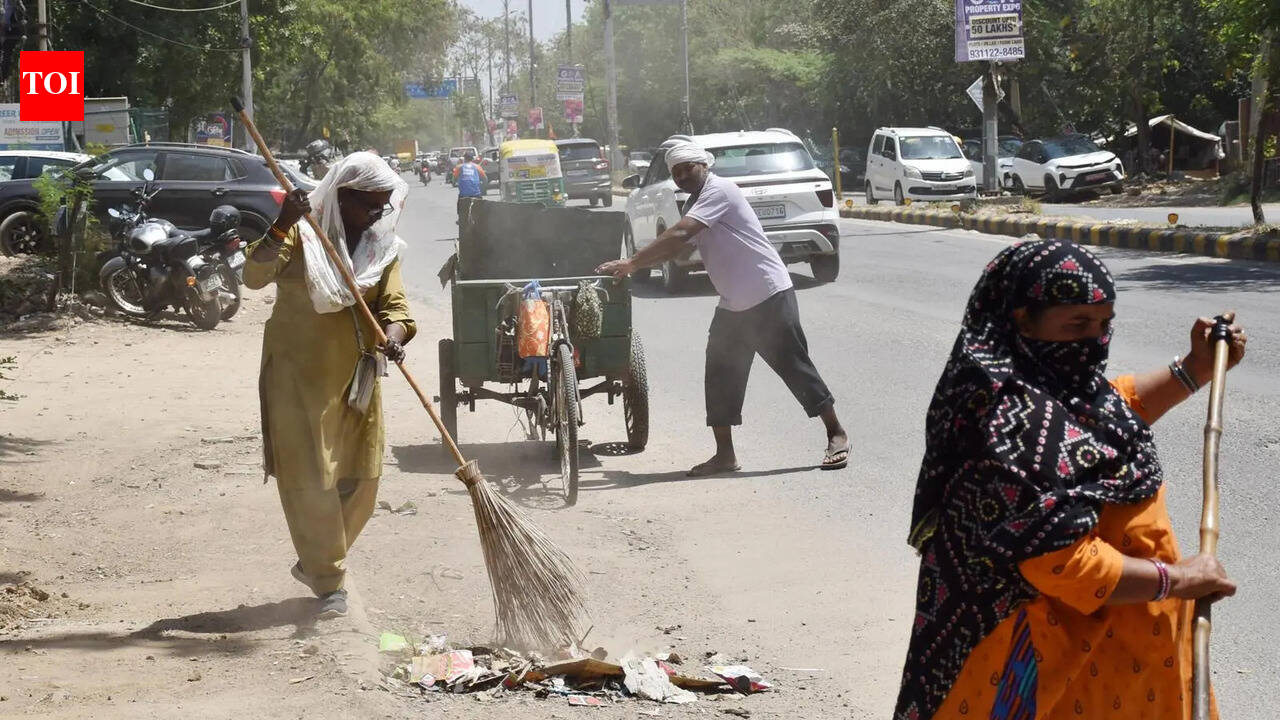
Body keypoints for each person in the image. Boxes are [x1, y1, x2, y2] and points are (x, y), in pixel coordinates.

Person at [894, 239, 1247, 720]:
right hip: (1044, 658)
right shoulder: (1007, 420)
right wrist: (1178, 578)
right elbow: (1060, 560)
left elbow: (1117, 404)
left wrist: (1194, 369)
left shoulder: (1055, 383)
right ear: (1022, 318)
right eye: (1076, 323)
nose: (1094, 339)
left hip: (1119, 651)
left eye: (1104, 323)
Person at [596, 141, 849, 475]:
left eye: (690, 167)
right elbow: (682, 245)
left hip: (767, 294)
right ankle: (725, 455)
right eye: (677, 171)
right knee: (719, 374)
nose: (684, 175)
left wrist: (631, 262)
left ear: (705, 165)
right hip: (733, 305)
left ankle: (837, 433)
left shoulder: (720, 190)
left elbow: (683, 232)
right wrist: (642, 266)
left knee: (794, 366)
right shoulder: (697, 201)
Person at [243, 152, 416, 620]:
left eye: (384, 206)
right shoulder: (301, 236)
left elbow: (396, 308)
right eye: (369, 206)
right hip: (298, 380)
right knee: (312, 482)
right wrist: (280, 223)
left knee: (363, 479)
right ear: (341, 199)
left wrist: (395, 339)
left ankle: (317, 560)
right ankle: (329, 580)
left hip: (357, 379)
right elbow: (253, 277)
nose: (378, 215)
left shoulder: (381, 248)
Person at [452, 151, 487, 223]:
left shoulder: (459, 167)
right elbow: (485, 179)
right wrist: (482, 189)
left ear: (464, 159)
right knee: (481, 207)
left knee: (460, 203)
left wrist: (454, 183)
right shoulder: (477, 167)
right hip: (476, 193)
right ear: (472, 159)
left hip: (464, 194)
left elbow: (454, 179)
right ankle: (482, 218)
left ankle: (460, 218)